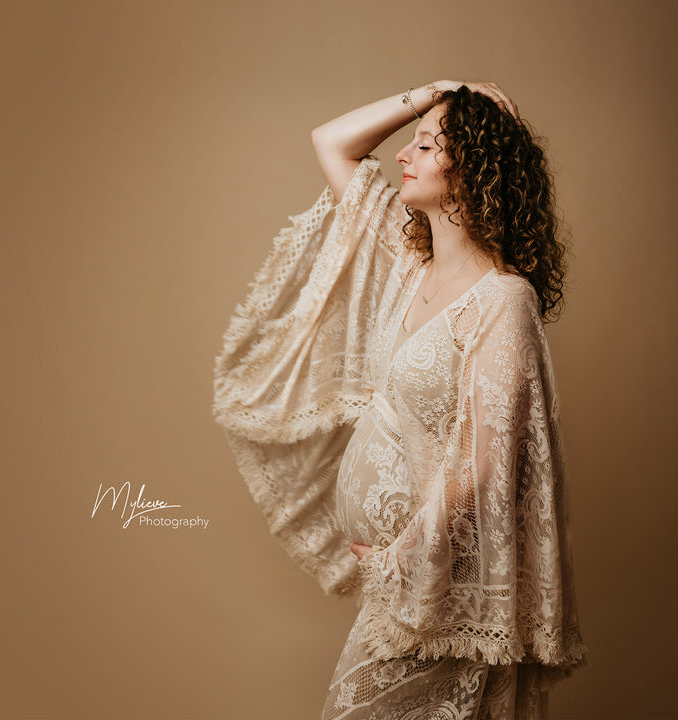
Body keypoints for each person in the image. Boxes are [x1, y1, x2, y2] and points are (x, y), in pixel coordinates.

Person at [212, 80, 588, 720]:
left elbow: (486, 464)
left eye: (426, 145)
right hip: (400, 588)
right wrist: (439, 90)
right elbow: (332, 143)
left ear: (470, 168)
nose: (401, 155)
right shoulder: (409, 263)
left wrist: (402, 559)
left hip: (437, 583)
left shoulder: (503, 301)